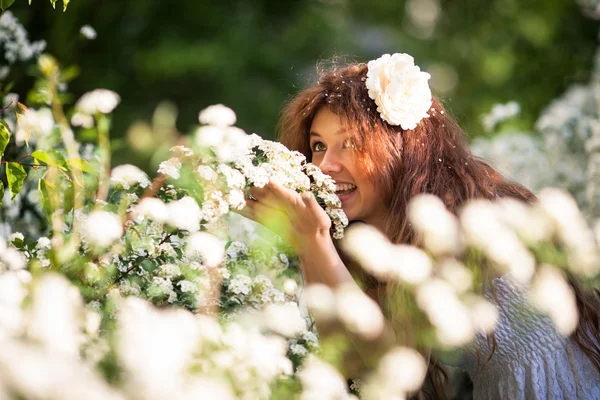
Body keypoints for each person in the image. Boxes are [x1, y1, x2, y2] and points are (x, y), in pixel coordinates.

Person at [242, 53, 600, 399]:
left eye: (350, 143)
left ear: (400, 148)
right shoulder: (376, 239)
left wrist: (314, 237)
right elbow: (356, 365)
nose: (324, 165)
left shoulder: (454, 222)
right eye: (318, 145)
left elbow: (389, 364)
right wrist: (308, 240)